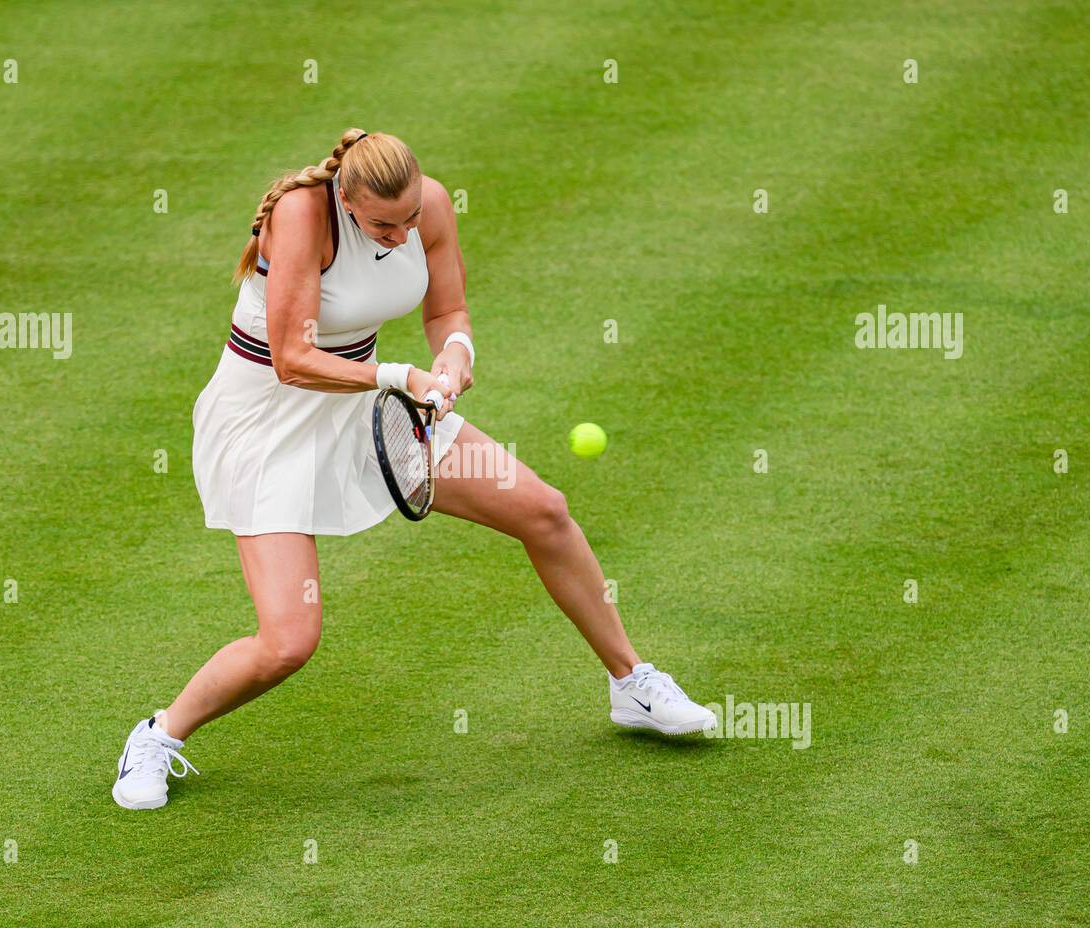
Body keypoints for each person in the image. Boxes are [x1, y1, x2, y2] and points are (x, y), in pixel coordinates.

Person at [112, 129, 715, 810]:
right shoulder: (302, 215)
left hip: (369, 401)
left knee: (542, 509)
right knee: (288, 642)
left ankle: (632, 683)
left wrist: (455, 358)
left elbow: (448, 310)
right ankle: (158, 736)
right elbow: (290, 357)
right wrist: (400, 374)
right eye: (381, 224)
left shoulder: (427, 205)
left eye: (408, 220)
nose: (400, 235)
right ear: (345, 196)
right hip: (266, 423)